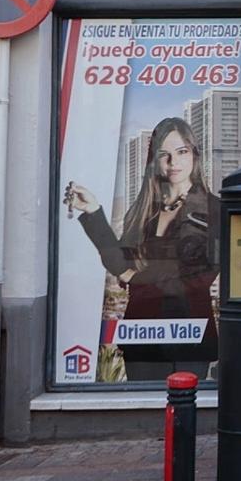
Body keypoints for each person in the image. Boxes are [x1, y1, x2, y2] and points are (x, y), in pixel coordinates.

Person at [66, 116, 220, 381]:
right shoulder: (141, 211)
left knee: (182, 416)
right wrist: (94, 212)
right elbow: (119, 261)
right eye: (164, 155)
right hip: (143, 335)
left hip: (189, 336)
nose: (174, 163)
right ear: (154, 160)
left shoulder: (214, 209)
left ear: (194, 155)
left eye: (182, 152)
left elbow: (198, 278)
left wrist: (133, 279)